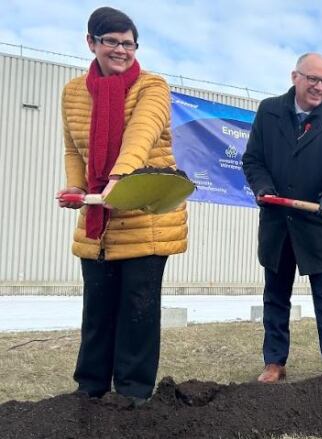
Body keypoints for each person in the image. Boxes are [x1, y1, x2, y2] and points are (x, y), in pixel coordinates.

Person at [56, 7, 187, 405]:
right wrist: (77, 187)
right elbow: (73, 148)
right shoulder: (73, 92)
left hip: (146, 212)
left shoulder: (153, 86)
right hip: (99, 216)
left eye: (128, 43)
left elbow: (142, 133)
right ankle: (90, 386)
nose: (121, 50)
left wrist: (119, 177)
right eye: (111, 41)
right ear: (91, 42)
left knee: (137, 307)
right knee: (97, 306)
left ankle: (132, 391)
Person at [242, 53, 322, 383]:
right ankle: (274, 363)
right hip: (278, 223)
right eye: (313, 79)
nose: (320, 87)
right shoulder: (269, 112)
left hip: (318, 224)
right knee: (276, 295)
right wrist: (263, 187)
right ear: (295, 76)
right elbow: (253, 160)